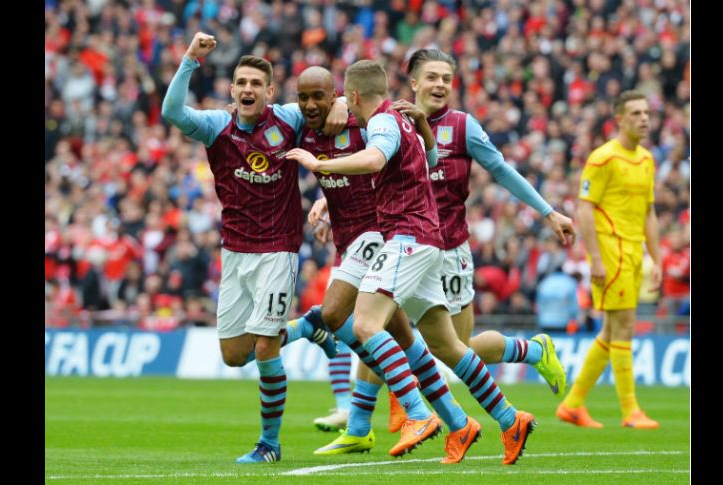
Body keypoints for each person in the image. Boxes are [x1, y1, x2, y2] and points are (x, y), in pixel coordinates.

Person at [287, 60, 535, 466]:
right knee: (444, 344)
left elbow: (373, 161)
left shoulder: (382, 123)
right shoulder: (402, 120)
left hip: (406, 237)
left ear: (349, 97)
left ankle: (418, 414)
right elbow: (432, 161)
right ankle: (508, 419)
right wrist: (421, 127)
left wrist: (318, 165)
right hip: (425, 241)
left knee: (366, 323)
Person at [161, 32, 344, 464]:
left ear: (269, 91)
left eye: (255, 84)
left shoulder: (289, 119)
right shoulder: (216, 126)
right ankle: (308, 327)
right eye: (241, 83)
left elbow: (330, 107)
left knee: (264, 348)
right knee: (233, 355)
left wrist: (336, 104)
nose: (247, 89)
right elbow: (171, 111)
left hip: (278, 248)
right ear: (232, 89)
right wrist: (190, 58)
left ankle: (270, 444)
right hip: (236, 251)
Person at [391, 48, 574, 401]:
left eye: (446, 78)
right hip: (404, 245)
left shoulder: (462, 126)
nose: (440, 84)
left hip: (449, 249)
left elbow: (503, 171)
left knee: (459, 348)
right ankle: (361, 419)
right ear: (413, 82)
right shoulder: (392, 122)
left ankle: (533, 351)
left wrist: (549, 212)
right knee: (378, 322)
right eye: (432, 77)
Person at [556, 90, 662, 429]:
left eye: (646, 113)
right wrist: (596, 259)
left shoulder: (646, 159)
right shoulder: (602, 158)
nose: (643, 119)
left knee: (611, 330)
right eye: (635, 113)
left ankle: (573, 404)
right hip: (611, 251)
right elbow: (584, 209)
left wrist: (657, 259)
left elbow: (649, 212)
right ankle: (630, 410)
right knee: (624, 328)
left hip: (634, 253)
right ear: (619, 118)